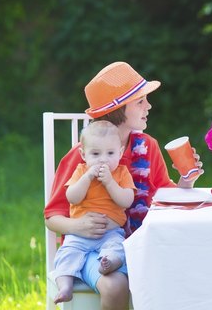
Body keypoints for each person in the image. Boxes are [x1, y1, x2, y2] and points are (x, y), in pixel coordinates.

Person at [44, 61, 203, 310]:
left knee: (186, 270)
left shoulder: (147, 146)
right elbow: (52, 216)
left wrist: (186, 180)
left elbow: (164, 199)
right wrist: (78, 226)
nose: (149, 106)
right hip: (88, 249)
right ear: (118, 109)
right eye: (140, 101)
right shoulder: (84, 156)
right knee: (115, 284)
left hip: (138, 242)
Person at [52, 120, 135, 304]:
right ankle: (65, 286)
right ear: (83, 154)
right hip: (79, 236)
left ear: (120, 153)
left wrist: (110, 183)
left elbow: (127, 200)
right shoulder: (81, 171)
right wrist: (87, 177)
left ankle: (109, 263)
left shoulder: (121, 173)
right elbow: (72, 197)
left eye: (110, 153)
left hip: (110, 234)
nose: (103, 159)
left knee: (118, 248)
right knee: (66, 254)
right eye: (96, 154)